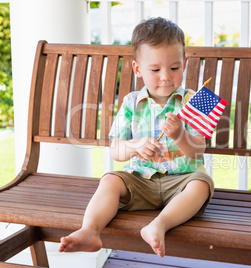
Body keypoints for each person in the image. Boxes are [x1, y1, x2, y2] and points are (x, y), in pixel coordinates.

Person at [58, 17, 214, 258]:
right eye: (155, 69)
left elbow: (197, 150)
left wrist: (180, 134)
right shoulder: (131, 103)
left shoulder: (195, 100)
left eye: (175, 68)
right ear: (138, 69)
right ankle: (90, 230)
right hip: (141, 180)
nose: (166, 76)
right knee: (110, 180)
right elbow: (116, 152)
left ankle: (158, 225)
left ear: (185, 63)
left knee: (201, 185)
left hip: (181, 182)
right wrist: (134, 145)